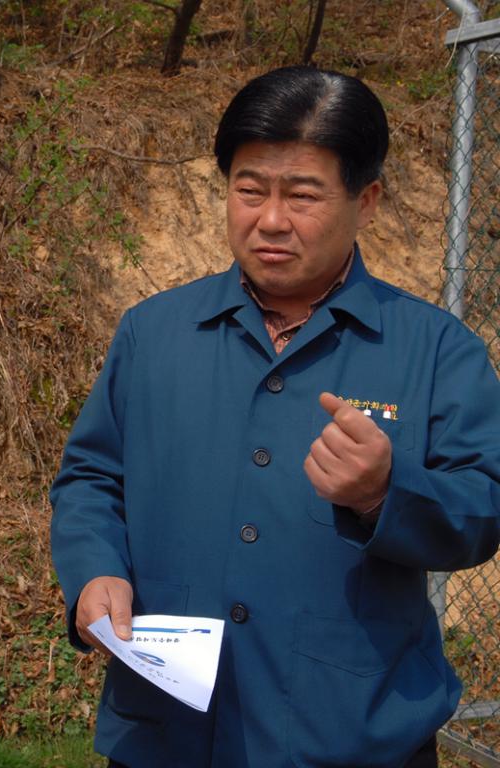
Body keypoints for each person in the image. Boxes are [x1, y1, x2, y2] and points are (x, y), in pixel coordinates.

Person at [50, 65, 500, 768]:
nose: (270, 220)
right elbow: (90, 479)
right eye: (249, 189)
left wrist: (387, 492)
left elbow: (482, 509)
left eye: (303, 195)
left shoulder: (436, 349)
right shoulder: (154, 333)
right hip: (167, 734)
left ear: (368, 200)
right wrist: (93, 572)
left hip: (349, 735)